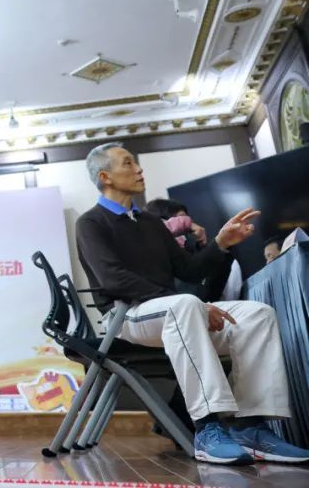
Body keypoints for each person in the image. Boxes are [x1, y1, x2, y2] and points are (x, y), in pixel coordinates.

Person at [76, 142, 309, 465]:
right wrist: (194, 306)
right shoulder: (91, 223)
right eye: (128, 163)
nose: (139, 168)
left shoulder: (150, 223)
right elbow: (113, 279)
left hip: (169, 312)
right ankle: (207, 428)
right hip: (125, 316)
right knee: (185, 305)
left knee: (257, 313)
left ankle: (252, 428)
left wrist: (220, 243)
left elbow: (189, 270)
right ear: (105, 177)